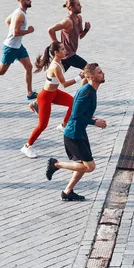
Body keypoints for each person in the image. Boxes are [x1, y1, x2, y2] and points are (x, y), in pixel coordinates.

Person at [45, 63, 107, 201]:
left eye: (101, 71)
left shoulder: (89, 89)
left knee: (82, 165)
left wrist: (93, 118)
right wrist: (94, 122)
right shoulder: (87, 92)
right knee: (89, 167)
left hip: (79, 133)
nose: (102, 73)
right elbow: (76, 115)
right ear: (92, 76)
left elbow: (79, 112)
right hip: (74, 135)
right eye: (99, 72)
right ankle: (55, 164)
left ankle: (67, 192)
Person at [21, 42, 82, 158]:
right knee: (43, 125)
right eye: (63, 49)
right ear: (56, 53)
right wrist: (80, 77)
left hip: (54, 93)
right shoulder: (55, 66)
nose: (65, 51)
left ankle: (63, 125)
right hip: (46, 96)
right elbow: (64, 84)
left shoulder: (59, 62)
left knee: (73, 103)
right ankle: (27, 146)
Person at [47, 0, 91, 84]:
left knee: (53, 78)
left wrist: (86, 30)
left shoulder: (79, 18)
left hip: (66, 56)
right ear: (71, 7)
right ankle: (82, 95)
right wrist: (57, 44)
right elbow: (50, 30)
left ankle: (45, 94)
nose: (81, 6)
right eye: (78, 5)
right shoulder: (67, 21)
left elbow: (80, 36)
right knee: (89, 70)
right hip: (68, 55)